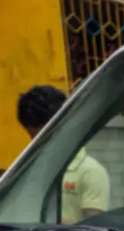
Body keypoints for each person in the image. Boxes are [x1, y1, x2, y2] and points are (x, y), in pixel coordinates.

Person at [17, 85, 110, 223]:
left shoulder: (90, 172)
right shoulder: (28, 172)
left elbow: (94, 229)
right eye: (32, 136)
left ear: (63, 125)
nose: (36, 142)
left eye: (44, 135)